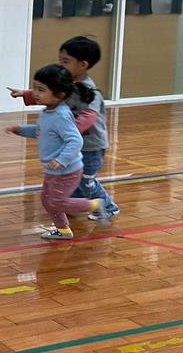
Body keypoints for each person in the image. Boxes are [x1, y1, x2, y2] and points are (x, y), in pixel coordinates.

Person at [8, 35, 118, 221]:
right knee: (72, 177)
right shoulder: (68, 85)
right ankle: (73, 202)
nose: (61, 64)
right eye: (60, 60)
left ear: (83, 65)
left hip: (91, 146)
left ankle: (108, 207)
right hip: (72, 143)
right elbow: (52, 93)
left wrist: (67, 130)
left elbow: (89, 116)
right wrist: (25, 94)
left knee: (86, 180)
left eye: (65, 61)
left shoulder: (90, 92)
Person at [7, 64, 104, 240]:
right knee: (47, 200)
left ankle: (95, 205)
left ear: (59, 95)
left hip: (67, 171)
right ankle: (63, 230)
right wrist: (20, 130)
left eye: (41, 90)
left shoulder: (61, 116)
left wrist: (61, 160)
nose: (35, 93)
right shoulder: (48, 112)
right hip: (53, 170)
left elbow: (75, 140)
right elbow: (41, 131)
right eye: (35, 88)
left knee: (57, 202)